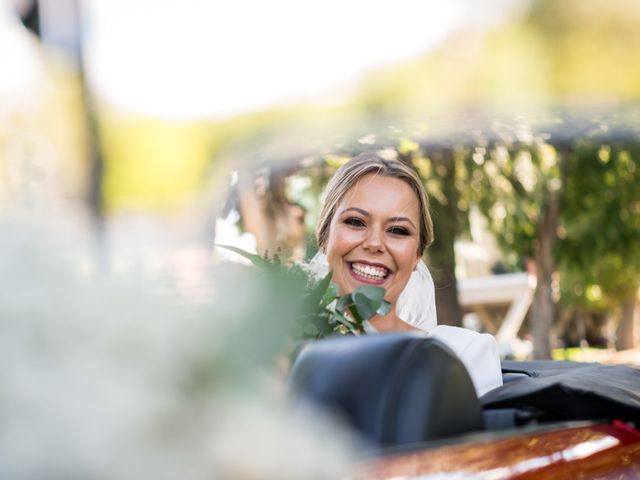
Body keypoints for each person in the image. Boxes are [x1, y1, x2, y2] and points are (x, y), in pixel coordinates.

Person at [309, 152, 502, 396]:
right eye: (356, 222)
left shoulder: (461, 354)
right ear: (325, 237)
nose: (375, 243)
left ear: (417, 255)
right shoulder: (280, 348)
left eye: (398, 230)